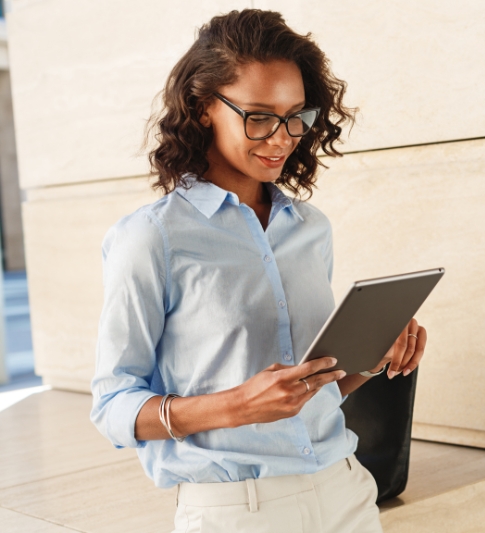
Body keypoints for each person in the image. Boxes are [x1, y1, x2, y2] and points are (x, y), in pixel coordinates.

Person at [89, 9, 427, 533]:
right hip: (236, 511)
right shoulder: (150, 237)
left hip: (346, 494)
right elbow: (113, 408)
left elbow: (318, 390)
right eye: (259, 116)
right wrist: (234, 406)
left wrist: (376, 355)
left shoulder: (309, 227)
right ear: (204, 109)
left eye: (297, 116)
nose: (282, 137)